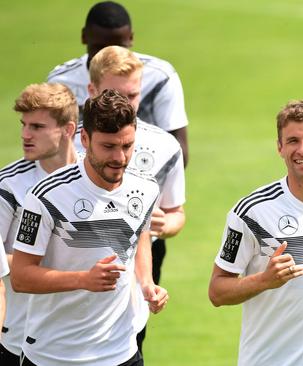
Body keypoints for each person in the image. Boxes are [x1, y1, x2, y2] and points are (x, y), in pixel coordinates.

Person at [10, 89, 168, 366]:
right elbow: (21, 277)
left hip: (122, 353)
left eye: (127, 145)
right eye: (108, 146)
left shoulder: (145, 188)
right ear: (84, 138)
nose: (120, 157)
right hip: (53, 356)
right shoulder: (45, 196)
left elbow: (140, 234)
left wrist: (147, 283)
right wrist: (83, 279)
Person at [208, 100, 303, 365]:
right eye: (293, 140)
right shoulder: (251, 212)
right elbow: (217, 291)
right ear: (280, 147)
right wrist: (265, 280)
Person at [83, 45, 186, 352]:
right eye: (114, 95)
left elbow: (177, 213)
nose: (125, 105)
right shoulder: (71, 142)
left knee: (128, 348)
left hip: (136, 271)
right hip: (75, 268)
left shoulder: (165, 146)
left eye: (133, 96)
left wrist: (165, 224)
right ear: (92, 90)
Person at [47, 1, 190, 166]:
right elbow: (51, 146)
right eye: (99, 48)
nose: (109, 56)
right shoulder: (61, 82)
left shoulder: (160, 76)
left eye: (132, 95)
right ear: (84, 36)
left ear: (130, 38)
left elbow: (178, 153)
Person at [0, 83, 79, 365]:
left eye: (36, 127)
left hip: (84, 339)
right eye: (24, 125)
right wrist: (35, 264)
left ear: (68, 130)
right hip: (21, 339)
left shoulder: (91, 179)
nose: (24, 134)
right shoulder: (8, 185)